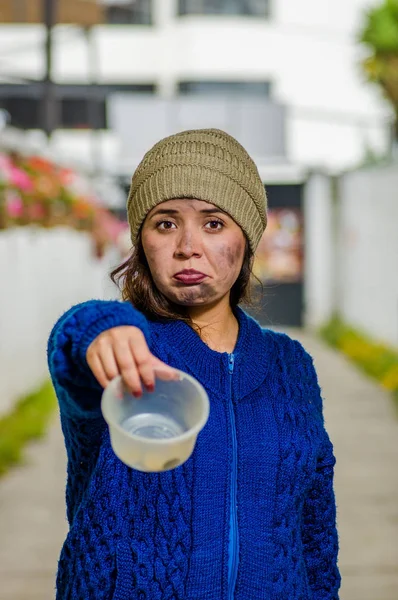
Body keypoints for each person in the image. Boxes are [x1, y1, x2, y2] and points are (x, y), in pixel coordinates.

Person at [48, 128, 341, 600]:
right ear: (142, 240)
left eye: (213, 223)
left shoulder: (292, 365)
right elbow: (73, 341)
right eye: (165, 223)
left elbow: (316, 530)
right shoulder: (130, 354)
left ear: (246, 237)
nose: (187, 246)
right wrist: (101, 329)